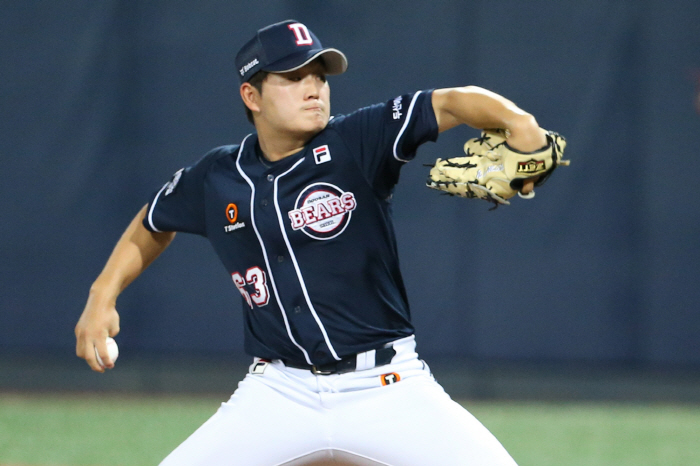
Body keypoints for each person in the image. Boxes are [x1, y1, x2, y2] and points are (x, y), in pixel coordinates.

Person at [75, 19, 548, 465]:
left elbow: (448, 102)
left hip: (387, 386)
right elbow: (156, 219)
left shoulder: (357, 141)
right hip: (278, 392)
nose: (313, 87)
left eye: (319, 75)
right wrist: (103, 294)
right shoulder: (218, 176)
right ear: (251, 95)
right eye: (293, 76)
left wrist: (518, 120)